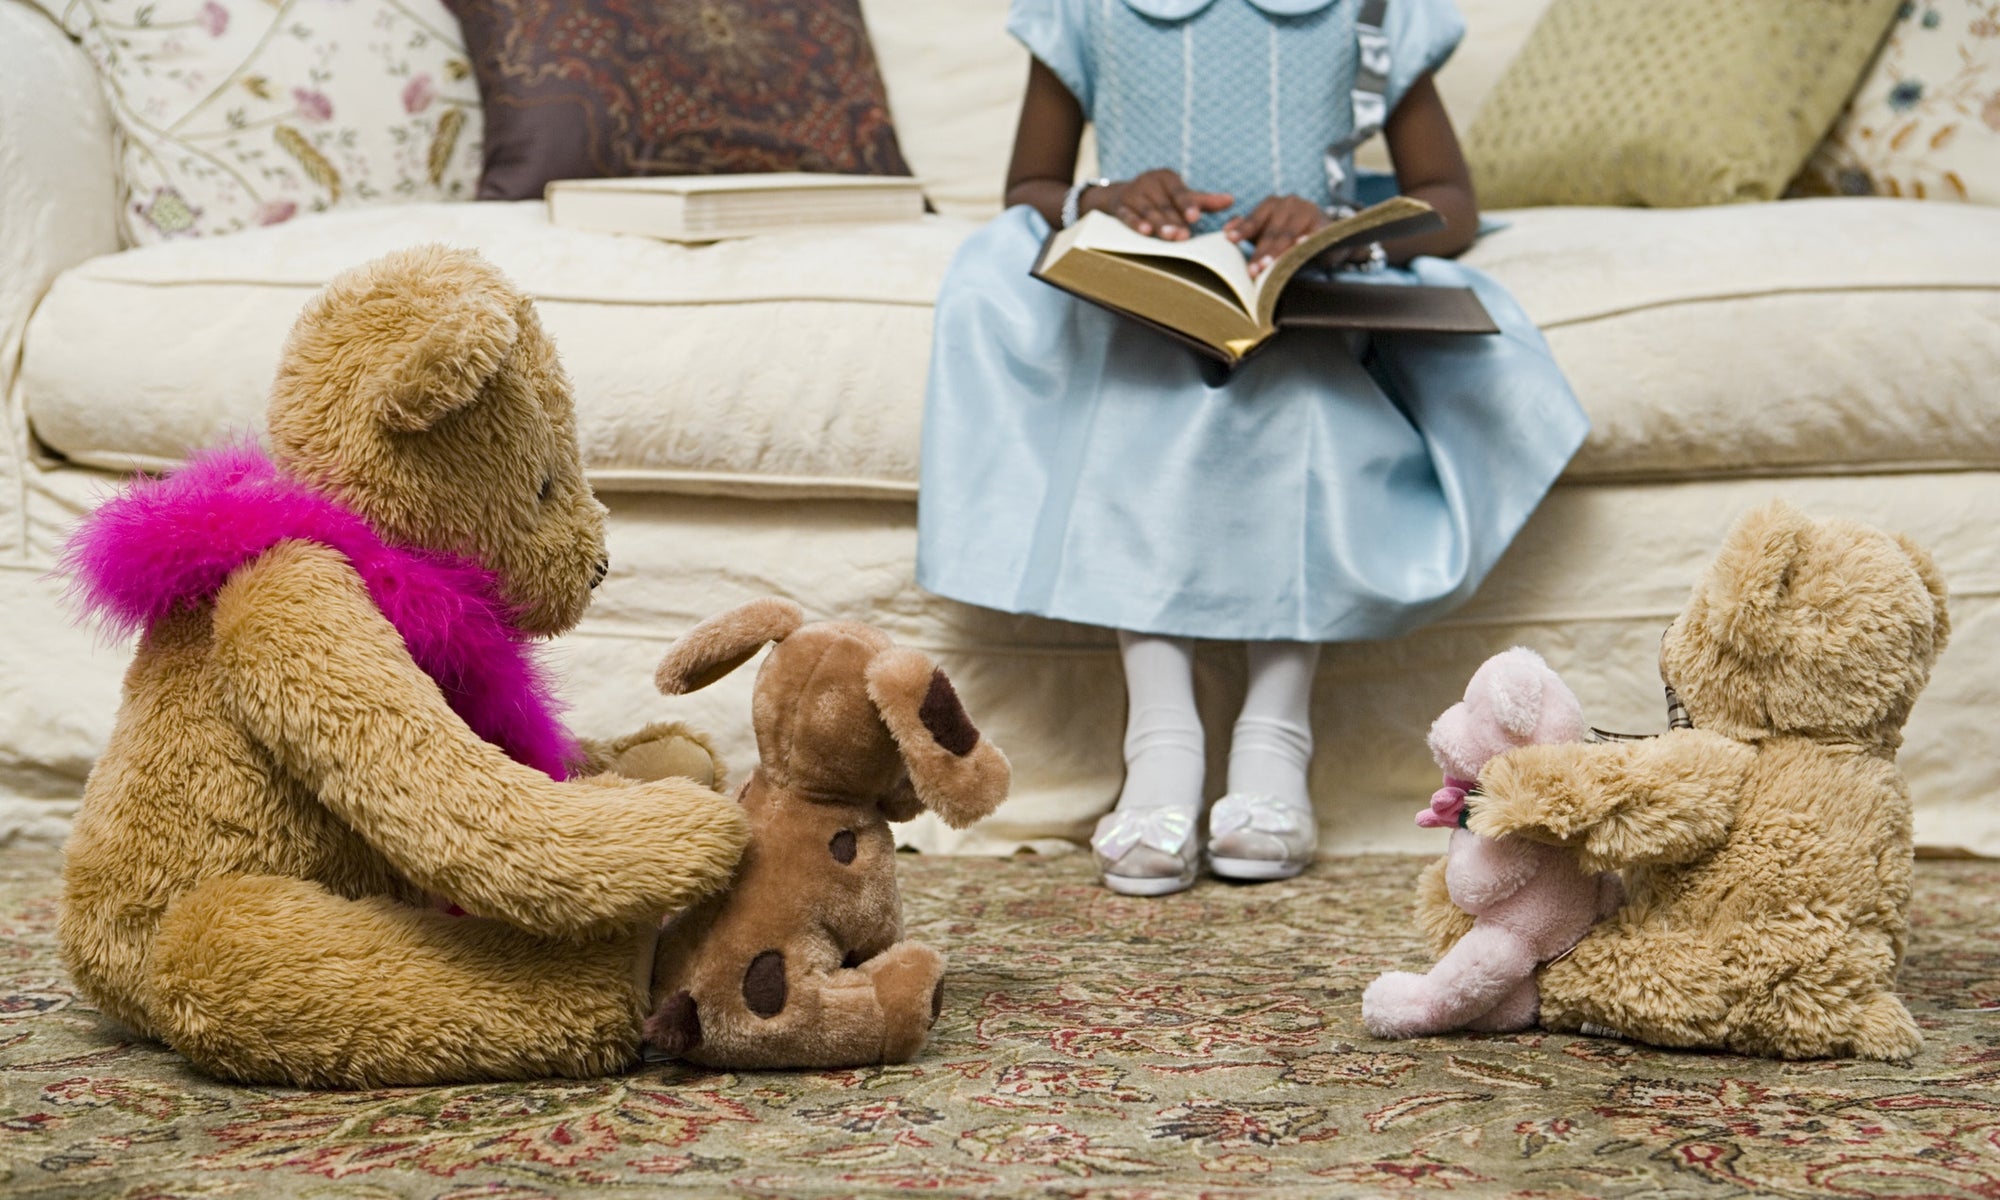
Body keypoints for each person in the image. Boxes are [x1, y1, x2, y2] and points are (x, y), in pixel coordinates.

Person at [915, 0, 1588, 896]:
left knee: (1298, 401)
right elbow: (1031, 185)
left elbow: (1451, 201)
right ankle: (1160, 739)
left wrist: (1343, 227)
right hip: (1145, 303)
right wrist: (1100, 200)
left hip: (1304, 302)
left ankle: (1276, 736)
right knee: (1140, 393)